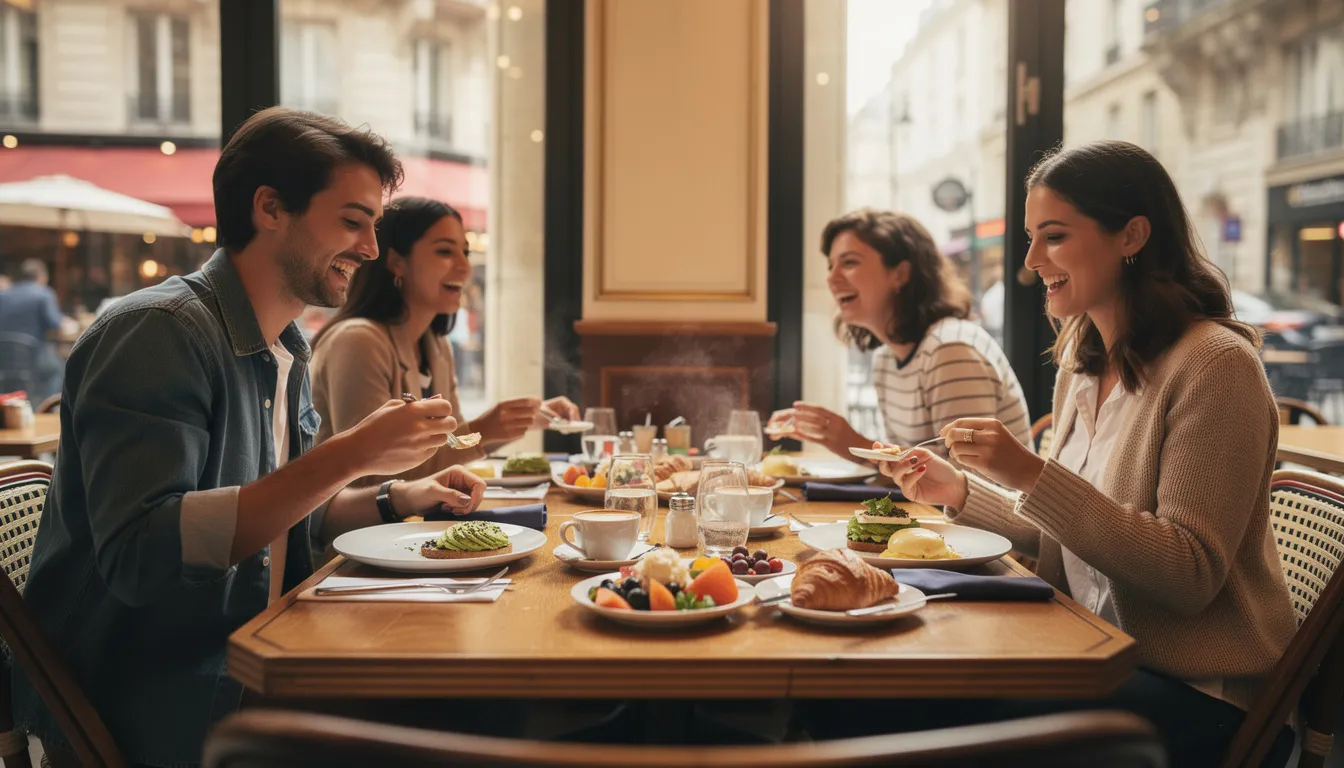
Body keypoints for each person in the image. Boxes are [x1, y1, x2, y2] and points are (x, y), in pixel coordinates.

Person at [13, 107, 487, 768]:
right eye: (353, 221)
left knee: (470, 704)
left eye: (375, 227)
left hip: (260, 667)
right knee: (469, 724)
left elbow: (291, 516)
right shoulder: (158, 332)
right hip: (162, 703)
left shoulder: (285, 347)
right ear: (269, 208)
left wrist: (398, 496)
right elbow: (143, 553)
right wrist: (350, 454)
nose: (372, 250)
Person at [865, 141, 1297, 767]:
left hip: (1197, 689)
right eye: (1032, 237)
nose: (1031, 260)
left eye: (1055, 237)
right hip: (1088, 643)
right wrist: (960, 490)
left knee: (914, 705)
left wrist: (1030, 473)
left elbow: (1189, 573)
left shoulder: (1215, 366)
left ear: (1132, 235)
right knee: (889, 678)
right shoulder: (1082, 359)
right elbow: (1064, 537)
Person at [310, 196, 578, 481]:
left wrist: (510, 423)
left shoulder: (436, 347)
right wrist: (483, 431)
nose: (464, 267)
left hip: (410, 520)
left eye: (465, 253)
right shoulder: (358, 342)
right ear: (396, 262)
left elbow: (451, 444)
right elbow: (372, 476)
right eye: (445, 252)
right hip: (354, 525)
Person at [767, 209, 1030, 462]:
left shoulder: (949, 350)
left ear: (901, 274)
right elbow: (902, 477)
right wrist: (845, 443)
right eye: (831, 265)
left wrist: (851, 443)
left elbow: (967, 483)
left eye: (849, 262)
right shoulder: (886, 359)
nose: (831, 278)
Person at [0, 258, 67, 400]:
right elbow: (55, 324)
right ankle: (46, 409)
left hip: (4, 358)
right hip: (33, 358)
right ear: (41, 277)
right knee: (58, 370)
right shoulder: (43, 294)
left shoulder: (3, 295)